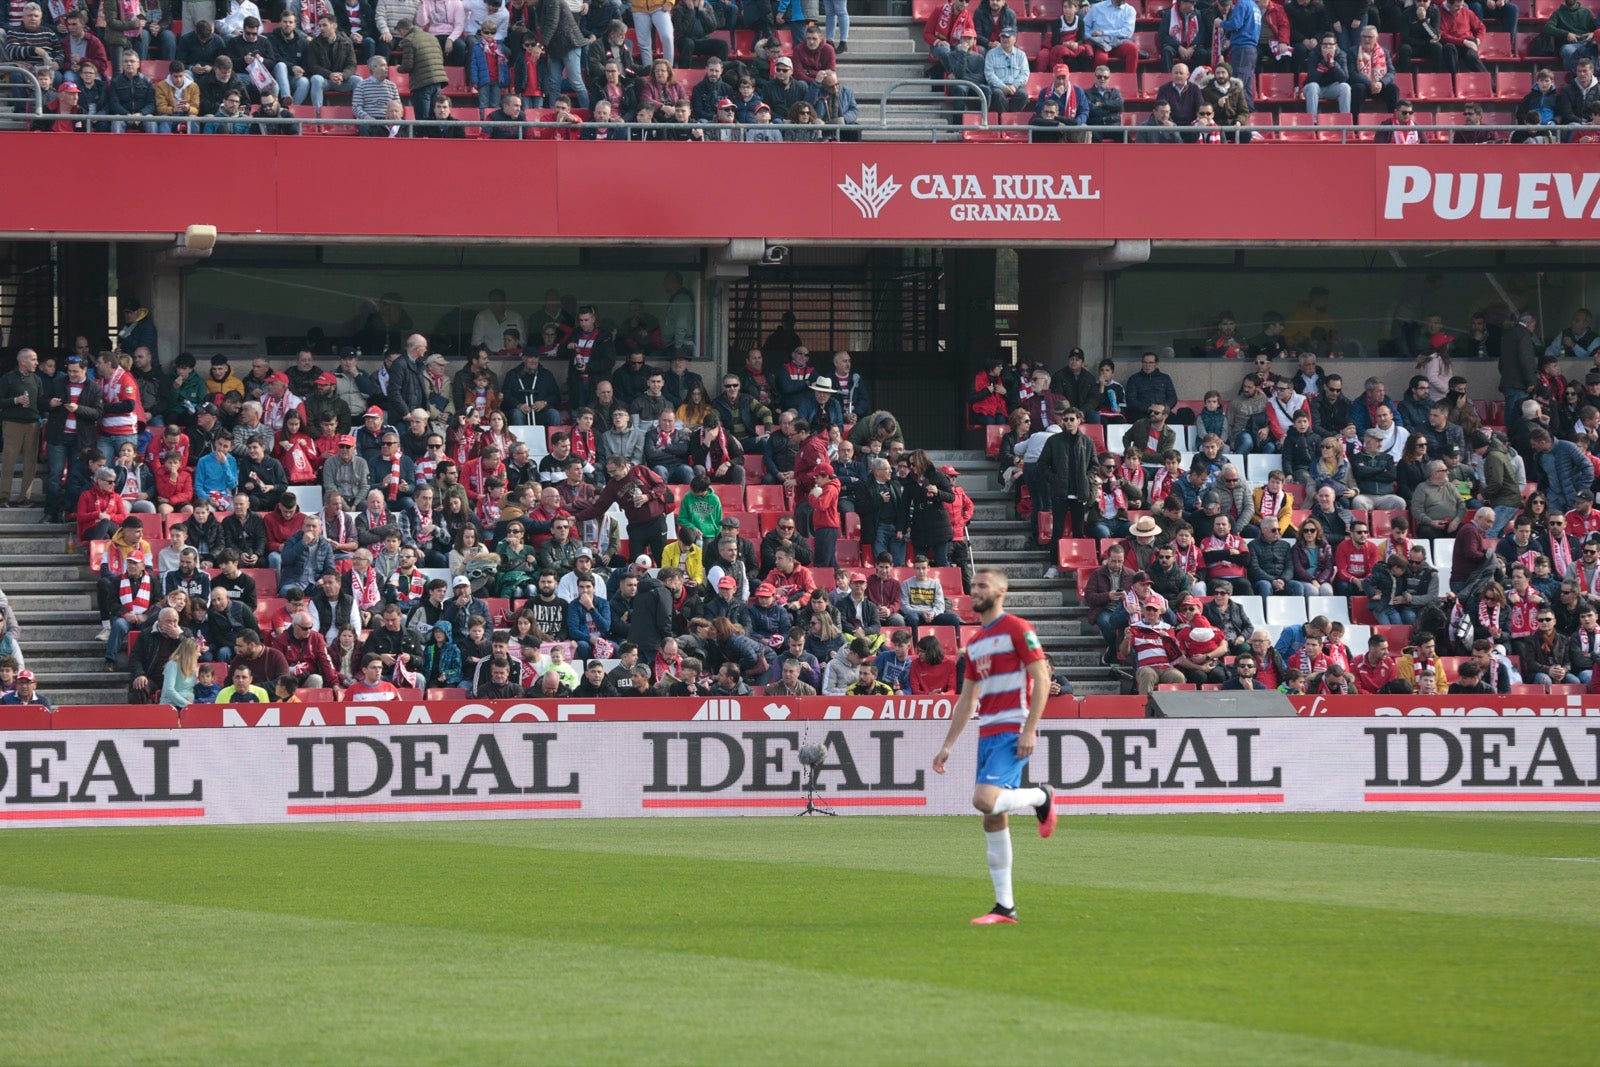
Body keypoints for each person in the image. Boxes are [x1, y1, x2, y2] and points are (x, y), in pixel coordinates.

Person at [931, 568, 1056, 926]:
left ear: (1002, 590)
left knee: (983, 800)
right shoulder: (975, 643)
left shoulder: (1018, 628)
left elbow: (1041, 677)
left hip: (1012, 728)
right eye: (974, 586)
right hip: (987, 732)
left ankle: (1041, 797)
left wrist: (1030, 728)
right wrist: (948, 746)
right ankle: (1005, 907)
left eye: (983, 585)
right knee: (992, 817)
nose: (976, 591)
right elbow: (967, 701)